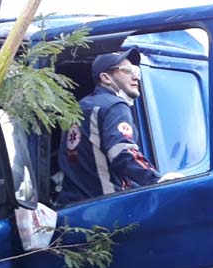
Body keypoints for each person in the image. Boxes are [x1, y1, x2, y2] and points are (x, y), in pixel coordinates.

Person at [56, 48, 170, 205]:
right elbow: (123, 153)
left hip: (71, 206)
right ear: (106, 78)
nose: (135, 76)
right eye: (126, 71)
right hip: (106, 207)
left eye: (136, 71)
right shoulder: (114, 106)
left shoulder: (81, 106)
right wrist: (157, 179)